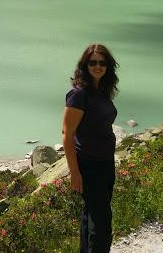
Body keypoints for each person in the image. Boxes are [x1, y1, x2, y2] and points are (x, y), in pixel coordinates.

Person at [62, 44, 119, 253]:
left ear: (108, 66)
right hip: (89, 164)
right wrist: (74, 173)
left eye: (102, 63)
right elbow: (67, 135)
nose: (97, 66)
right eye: (92, 62)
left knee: (91, 216)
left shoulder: (100, 91)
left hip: (105, 162)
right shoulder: (79, 95)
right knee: (101, 224)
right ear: (85, 65)